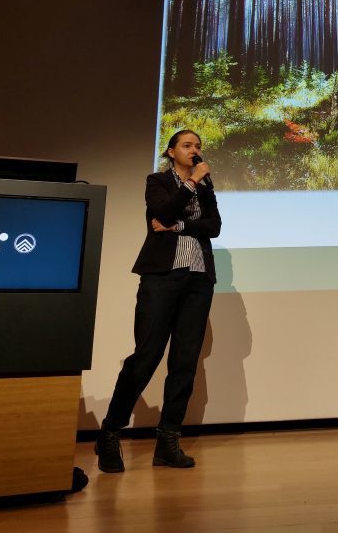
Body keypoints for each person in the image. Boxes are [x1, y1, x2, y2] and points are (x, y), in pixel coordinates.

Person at [95, 129, 221, 473]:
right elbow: (162, 213)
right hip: (162, 278)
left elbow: (214, 227)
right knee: (147, 354)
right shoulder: (158, 181)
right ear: (171, 152)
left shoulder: (207, 187)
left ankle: (168, 441)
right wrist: (191, 183)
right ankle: (110, 432)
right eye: (187, 145)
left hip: (199, 279)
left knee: (184, 361)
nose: (194, 150)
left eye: (198, 146)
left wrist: (179, 227)